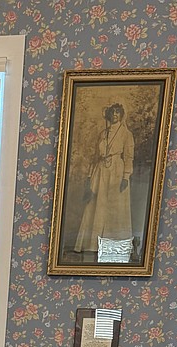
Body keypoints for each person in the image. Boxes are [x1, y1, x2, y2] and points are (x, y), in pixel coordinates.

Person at [74, 102, 134, 258]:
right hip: (101, 169)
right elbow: (95, 156)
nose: (115, 115)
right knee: (96, 204)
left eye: (117, 112)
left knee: (115, 206)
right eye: (112, 112)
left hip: (116, 170)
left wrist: (125, 176)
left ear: (121, 115)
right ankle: (91, 244)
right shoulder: (103, 133)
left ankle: (114, 248)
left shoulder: (126, 134)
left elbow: (128, 156)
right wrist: (89, 176)